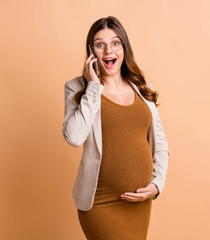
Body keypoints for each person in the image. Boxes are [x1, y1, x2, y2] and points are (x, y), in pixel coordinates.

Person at [62, 16, 169, 239]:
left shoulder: (142, 88)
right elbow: (73, 137)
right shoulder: (78, 88)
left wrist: (157, 184)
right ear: (91, 51)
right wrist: (93, 87)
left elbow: (160, 142)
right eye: (100, 44)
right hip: (99, 202)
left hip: (139, 203)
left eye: (115, 43)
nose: (108, 50)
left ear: (124, 48)